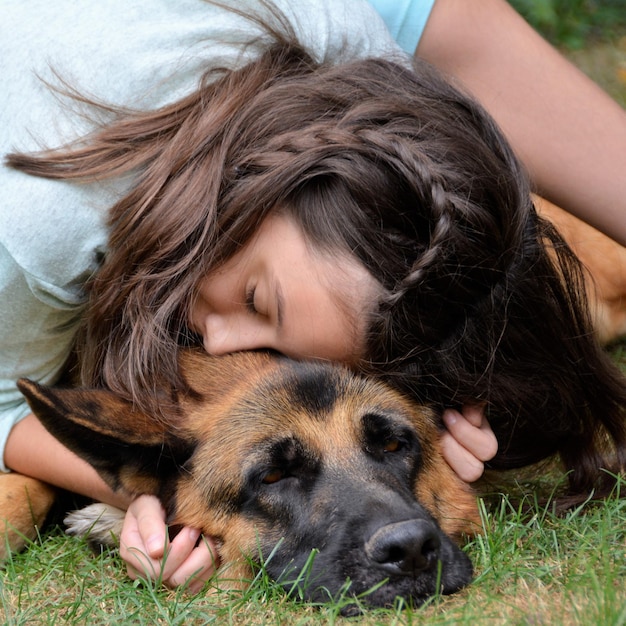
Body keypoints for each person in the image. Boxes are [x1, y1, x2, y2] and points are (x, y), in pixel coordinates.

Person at [1, 0, 624, 593]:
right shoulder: (35, 236)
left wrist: (454, 385)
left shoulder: (351, 50)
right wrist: (159, 492)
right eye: (257, 299)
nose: (217, 339)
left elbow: (446, 26)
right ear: (271, 178)